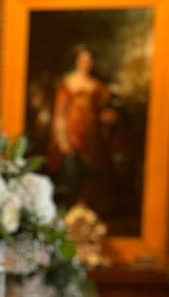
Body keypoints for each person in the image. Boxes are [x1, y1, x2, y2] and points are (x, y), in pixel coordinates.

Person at [47, 45, 118, 212]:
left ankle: (87, 213)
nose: (86, 63)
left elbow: (102, 110)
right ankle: (69, 213)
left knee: (92, 177)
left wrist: (108, 117)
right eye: (83, 60)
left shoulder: (97, 86)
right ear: (77, 61)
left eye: (89, 60)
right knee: (71, 176)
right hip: (72, 136)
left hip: (92, 139)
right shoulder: (68, 83)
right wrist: (62, 139)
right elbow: (60, 114)